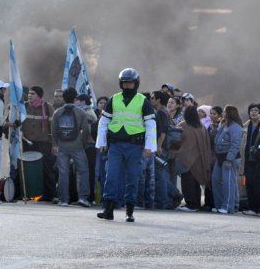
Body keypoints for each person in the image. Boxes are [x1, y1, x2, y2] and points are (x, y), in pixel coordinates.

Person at [96, 68, 157, 222]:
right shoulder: (113, 99)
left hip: (134, 146)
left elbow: (150, 124)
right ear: (120, 84)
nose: (127, 86)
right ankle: (108, 210)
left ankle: (129, 211)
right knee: (111, 176)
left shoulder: (143, 101)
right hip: (115, 145)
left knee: (132, 178)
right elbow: (103, 122)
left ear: (136, 84)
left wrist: (150, 147)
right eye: (124, 83)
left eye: (130, 83)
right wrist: (102, 142)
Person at [52, 87, 92, 207]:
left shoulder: (57, 112)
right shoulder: (81, 112)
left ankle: (63, 200)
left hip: (62, 146)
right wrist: (82, 143)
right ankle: (83, 198)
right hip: (77, 145)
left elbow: (53, 131)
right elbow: (86, 130)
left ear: (64, 98)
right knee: (83, 171)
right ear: (75, 99)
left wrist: (55, 144)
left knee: (63, 172)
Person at [174, 105, 213, 212]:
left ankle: (191, 204)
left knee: (187, 183)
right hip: (200, 159)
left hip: (187, 159)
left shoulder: (183, 125)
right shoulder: (201, 126)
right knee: (196, 182)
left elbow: (176, 140)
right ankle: (196, 204)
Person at [23, 86, 56, 202]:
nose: (29, 95)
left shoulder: (48, 107)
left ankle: (50, 195)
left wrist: (54, 144)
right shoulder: (24, 106)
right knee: (24, 168)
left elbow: (53, 127)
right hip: (26, 142)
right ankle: (24, 192)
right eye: (29, 93)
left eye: (33, 94)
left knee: (46, 168)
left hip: (43, 143)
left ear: (39, 96)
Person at [151, 90, 182, 210]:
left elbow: (163, 132)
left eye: (153, 98)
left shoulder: (162, 113)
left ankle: (166, 199)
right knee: (161, 175)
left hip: (161, 148)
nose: (151, 100)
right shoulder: (163, 112)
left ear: (159, 100)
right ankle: (170, 197)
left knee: (160, 175)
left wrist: (158, 146)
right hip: (162, 148)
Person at [212, 105, 244, 214]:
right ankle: (220, 205)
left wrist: (229, 159)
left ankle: (228, 207)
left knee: (228, 183)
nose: (223, 113)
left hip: (230, 158)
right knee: (215, 180)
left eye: (225, 112)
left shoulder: (236, 127)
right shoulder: (224, 125)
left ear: (230, 113)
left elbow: (235, 145)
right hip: (220, 157)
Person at [76, 94, 98, 205]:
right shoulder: (85, 112)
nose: (76, 103)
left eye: (77, 101)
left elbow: (87, 131)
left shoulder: (87, 114)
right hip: (86, 145)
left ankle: (88, 197)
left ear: (83, 101)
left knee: (88, 172)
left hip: (88, 146)